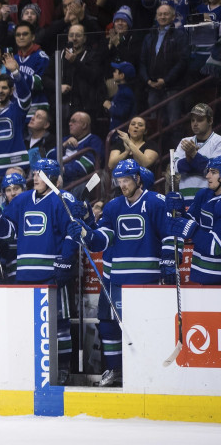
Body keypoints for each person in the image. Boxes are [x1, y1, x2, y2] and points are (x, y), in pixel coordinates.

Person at [68, 159, 190, 387]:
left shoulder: (156, 202)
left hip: (147, 278)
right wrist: (86, 233)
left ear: (137, 179)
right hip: (118, 279)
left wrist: (170, 260)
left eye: (126, 180)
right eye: (119, 181)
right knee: (110, 324)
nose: (122, 185)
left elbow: (170, 232)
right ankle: (115, 370)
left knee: (145, 324)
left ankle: (148, 368)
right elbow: (104, 239)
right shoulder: (113, 206)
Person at [0, 159, 79, 383]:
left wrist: (65, 261)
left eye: (41, 174)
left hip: (53, 273)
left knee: (60, 324)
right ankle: (29, 367)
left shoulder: (64, 199)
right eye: (34, 173)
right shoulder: (23, 200)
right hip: (25, 274)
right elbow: (9, 232)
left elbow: (72, 233)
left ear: (52, 177)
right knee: (28, 323)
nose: (35, 177)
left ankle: (63, 368)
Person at [139, 4, 189, 140]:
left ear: (173, 17)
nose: (162, 17)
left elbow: (183, 61)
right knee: (154, 124)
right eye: (160, 14)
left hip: (173, 87)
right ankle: (156, 157)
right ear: (156, 17)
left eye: (166, 14)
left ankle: (174, 158)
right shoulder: (149, 36)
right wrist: (148, 80)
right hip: (153, 87)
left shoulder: (180, 35)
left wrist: (166, 80)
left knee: (174, 123)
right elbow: (142, 62)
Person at [0, 54, 32, 177]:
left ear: (11, 90)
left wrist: (16, 73)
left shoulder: (17, 108)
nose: (0, 91)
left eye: (4, 88)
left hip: (17, 166)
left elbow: (25, 94)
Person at [182, 157, 221, 284]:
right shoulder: (203, 195)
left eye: (214, 172)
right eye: (208, 171)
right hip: (200, 272)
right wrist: (179, 212)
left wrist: (190, 230)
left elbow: (215, 247)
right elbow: (189, 220)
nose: (208, 176)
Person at [174, 103, 221, 204]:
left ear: (210, 121)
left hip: (210, 199)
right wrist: (190, 159)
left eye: (200, 120)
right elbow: (176, 168)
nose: (195, 123)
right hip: (185, 198)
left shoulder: (218, 142)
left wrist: (193, 155)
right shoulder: (185, 141)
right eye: (192, 120)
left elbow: (213, 171)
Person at [47, 112, 103, 188]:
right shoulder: (66, 139)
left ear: (84, 125)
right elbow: (49, 156)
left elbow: (87, 165)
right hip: (58, 177)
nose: (70, 124)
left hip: (77, 181)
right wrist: (63, 145)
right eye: (70, 121)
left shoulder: (94, 141)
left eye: (73, 121)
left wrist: (63, 169)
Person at [103, 62, 136, 131]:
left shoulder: (125, 92)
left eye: (116, 71)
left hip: (120, 133)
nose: (113, 73)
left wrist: (109, 106)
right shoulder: (122, 90)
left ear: (122, 75)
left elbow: (122, 113)